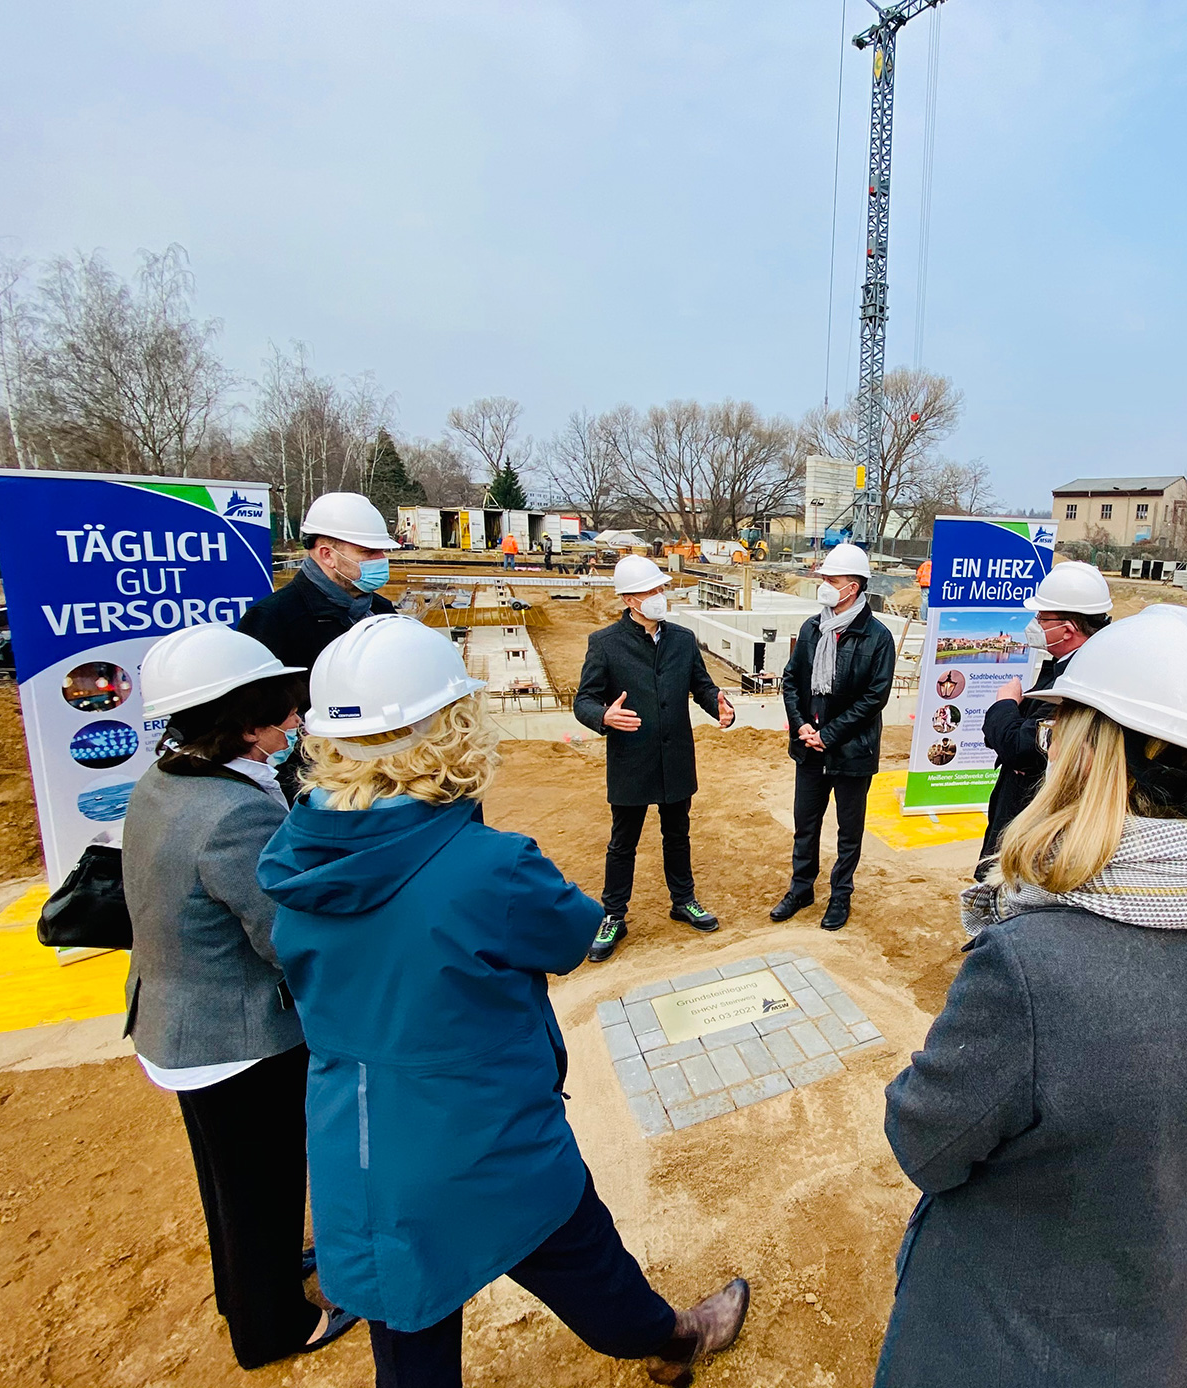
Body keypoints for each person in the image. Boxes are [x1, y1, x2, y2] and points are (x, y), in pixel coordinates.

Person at [257, 615, 749, 1388]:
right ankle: (673, 1341)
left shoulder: (294, 860)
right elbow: (568, 936)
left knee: (409, 1324)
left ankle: (665, 1339)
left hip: (359, 1140)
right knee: (581, 1255)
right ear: (450, 726)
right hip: (485, 1132)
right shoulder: (488, 866)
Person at [877, 606, 1187, 1388]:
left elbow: (925, 1143)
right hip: (1158, 1326)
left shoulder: (1033, 966)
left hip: (1000, 1342)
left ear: (1095, 754)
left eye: (1066, 726)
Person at [121, 624, 359, 1369]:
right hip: (236, 1035)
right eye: (284, 714)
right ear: (246, 721)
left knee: (226, 1178)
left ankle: (246, 1289)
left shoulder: (170, 781)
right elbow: (282, 937)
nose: (296, 725)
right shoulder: (236, 814)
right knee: (264, 1183)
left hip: (177, 1022)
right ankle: (273, 1329)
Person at [574, 554, 735, 961]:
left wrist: (720, 707)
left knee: (677, 836)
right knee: (622, 843)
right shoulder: (605, 644)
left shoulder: (682, 639)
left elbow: (702, 686)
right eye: (652, 590)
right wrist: (603, 716)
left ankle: (684, 901)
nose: (660, 595)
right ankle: (613, 915)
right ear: (630, 599)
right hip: (631, 760)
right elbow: (584, 701)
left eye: (661, 588)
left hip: (676, 758)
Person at [769, 542, 896, 931]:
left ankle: (840, 895)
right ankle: (801, 888)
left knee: (848, 831)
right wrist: (801, 724)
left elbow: (875, 698)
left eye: (832, 579)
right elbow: (792, 679)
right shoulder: (812, 628)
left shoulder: (877, 638)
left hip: (852, 752)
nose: (824, 584)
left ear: (853, 587)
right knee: (805, 823)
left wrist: (831, 735)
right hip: (809, 748)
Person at [975, 560, 1112, 876]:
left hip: (1033, 813)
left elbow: (1022, 747)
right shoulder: (1066, 664)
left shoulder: (1078, 680)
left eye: (1041, 617)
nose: (1034, 624)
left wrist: (1005, 704)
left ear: (1068, 629)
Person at [240, 492, 399, 674]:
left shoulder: (381, 610)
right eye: (369, 552)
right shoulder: (272, 621)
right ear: (327, 555)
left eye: (382, 551)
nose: (382, 559)